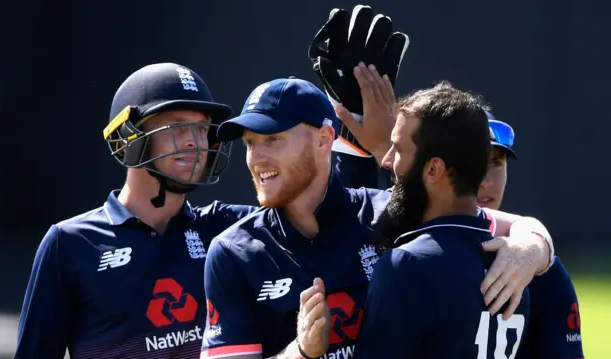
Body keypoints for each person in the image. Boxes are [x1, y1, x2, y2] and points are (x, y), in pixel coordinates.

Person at [12, 62, 379, 359]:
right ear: (127, 137)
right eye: (177, 127)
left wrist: (353, 130)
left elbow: (330, 211)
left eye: (202, 129)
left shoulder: (229, 231)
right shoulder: (69, 243)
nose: (195, 141)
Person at [200, 73, 554, 359]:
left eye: (272, 139)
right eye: (249, 143)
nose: (256, 159)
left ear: (324, 140)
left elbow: (505, 223)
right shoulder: (232, 252)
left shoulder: (389, 212)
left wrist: (531, 248)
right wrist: (301, 353)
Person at [353, 82, 533, 358]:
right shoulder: (522, 269)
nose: (387, 161)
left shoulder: (407, 265)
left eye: (398, 149)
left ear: (434, 169)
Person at [479, 114, 584, 359]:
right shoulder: (399, 251)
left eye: (496, 163)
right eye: (471, 164)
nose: (485, 181)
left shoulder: (543, 272)